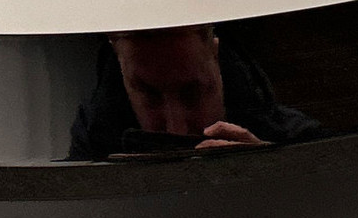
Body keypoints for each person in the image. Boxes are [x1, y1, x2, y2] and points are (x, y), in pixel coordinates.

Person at [67, 25, 324, 160]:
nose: (176, 128)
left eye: (192, 93)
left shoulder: (302, 143)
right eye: (149, 95)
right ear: (122, 75)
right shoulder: (90, 154)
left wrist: (270, 176)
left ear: (216, 57)